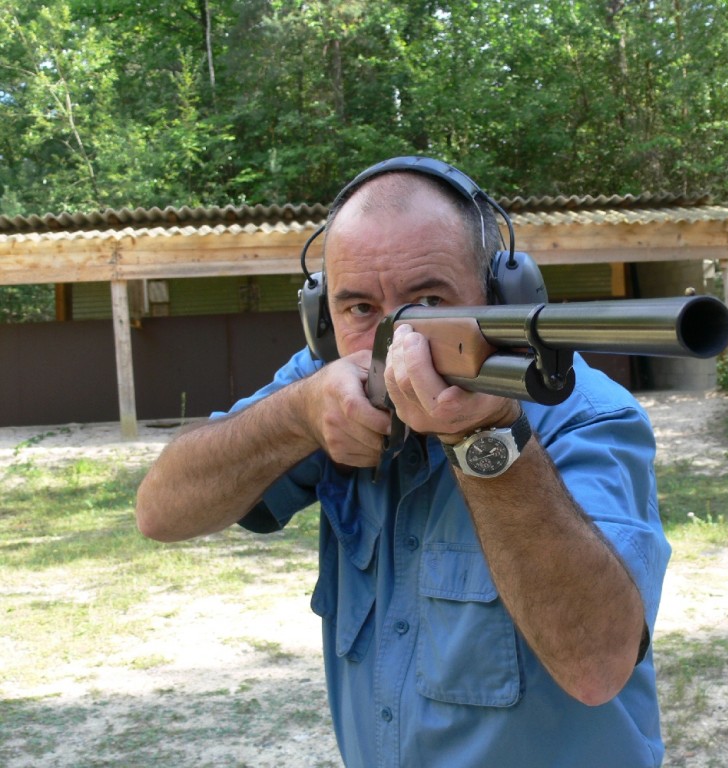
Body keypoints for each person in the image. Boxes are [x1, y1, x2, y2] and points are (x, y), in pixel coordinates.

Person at [135, 156, 672, 767]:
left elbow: (596, 666)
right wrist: (297, 415)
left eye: (427, 299)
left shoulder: (588, 415)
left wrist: (486, 441)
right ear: (322, 315)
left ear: (499, 294)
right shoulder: (324, 383)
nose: (397, 339)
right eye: (360, 308)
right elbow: (159, 511)